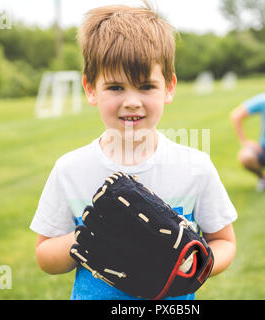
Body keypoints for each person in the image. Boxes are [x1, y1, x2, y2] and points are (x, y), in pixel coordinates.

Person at [30, 4, 237, 300]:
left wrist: (199, 261)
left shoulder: (195, 167)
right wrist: (87, 238)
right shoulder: (70, 169)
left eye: (145, 86)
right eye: (115, 87)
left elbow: (225, 242)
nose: (131, 102)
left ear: (169, 87)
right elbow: (44, 255)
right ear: (90, 89)